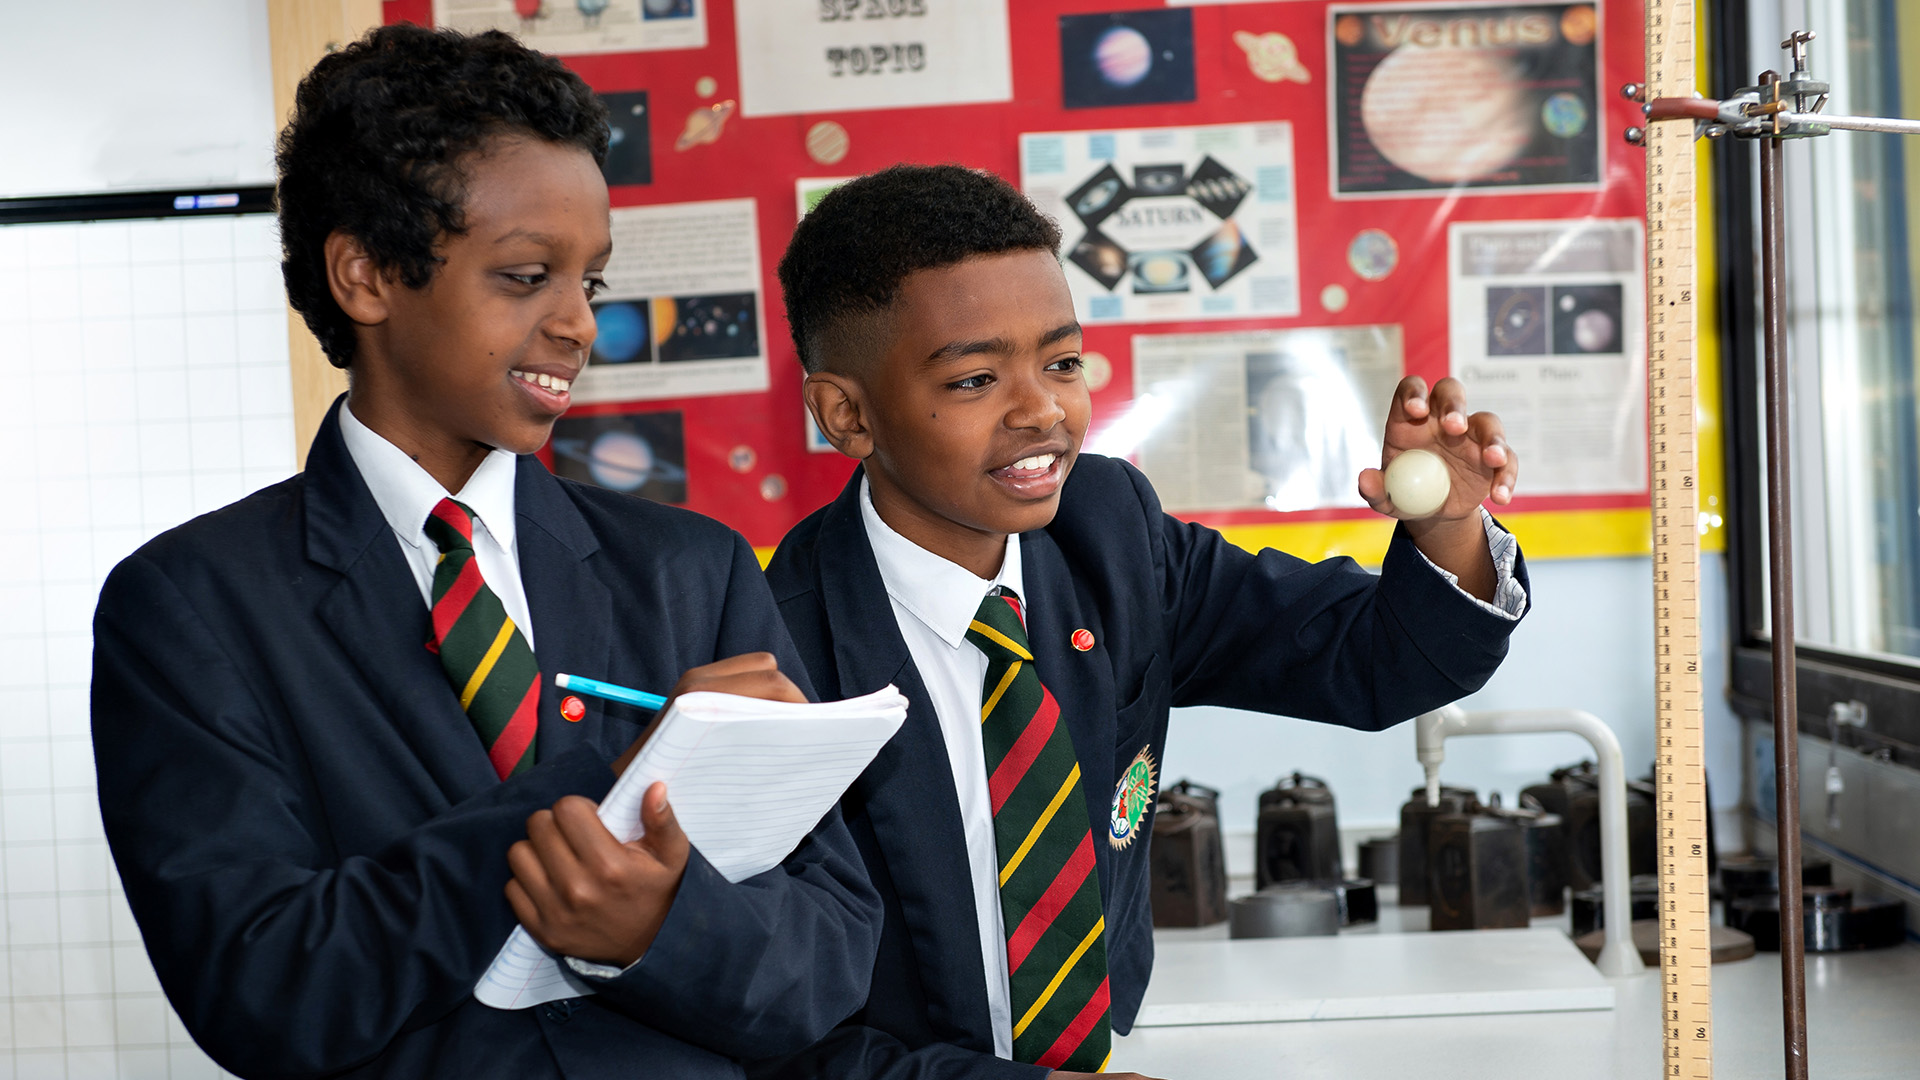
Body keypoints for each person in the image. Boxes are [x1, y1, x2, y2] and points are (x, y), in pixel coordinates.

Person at [90, 25, 878, 1079]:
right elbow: (262, 990)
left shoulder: (693, 570)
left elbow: (828, 958)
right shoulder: (188, 606)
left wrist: (653, 931)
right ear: (366, 277)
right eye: (524, 276)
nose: (578, 325)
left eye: (589, 282)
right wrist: (595, 790)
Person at [754, 165, 1530, 1079]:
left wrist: (1446, 529)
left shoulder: (1110, 534)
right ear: (847, 413)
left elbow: (1375, 661)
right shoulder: (775, 648)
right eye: (974, 379)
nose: (1042, 409)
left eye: (1063, 362)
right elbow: (779, 1021)